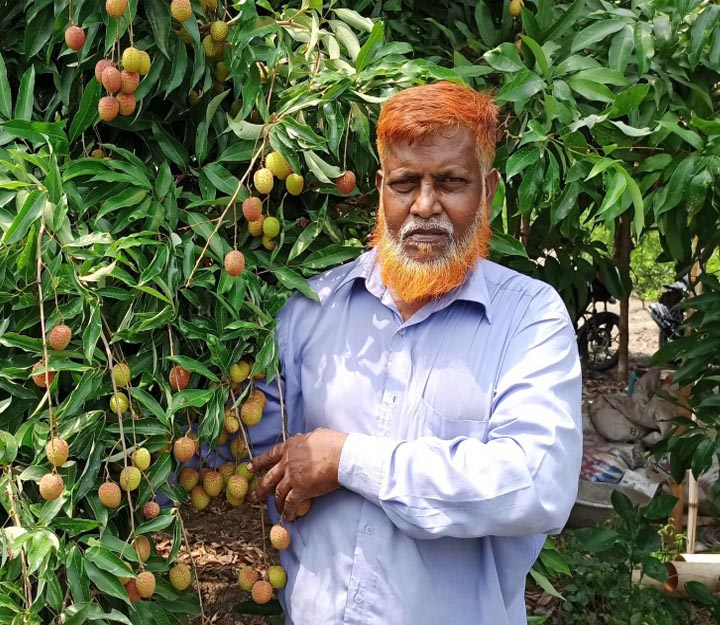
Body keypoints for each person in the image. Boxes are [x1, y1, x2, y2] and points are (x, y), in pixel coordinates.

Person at [243, 81, 583, 625]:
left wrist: (348, 460)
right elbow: (251, 445)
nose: (425, 206)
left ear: (488, 188)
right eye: (405, 183)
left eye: (450, 182)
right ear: (381, 189)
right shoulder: (311, 306)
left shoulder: (530, 318)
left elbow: (536, 482)